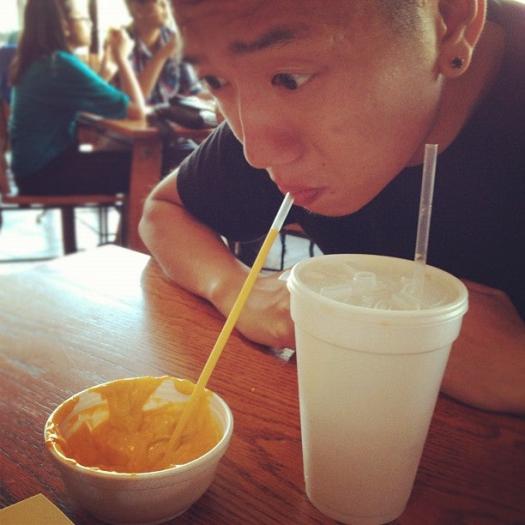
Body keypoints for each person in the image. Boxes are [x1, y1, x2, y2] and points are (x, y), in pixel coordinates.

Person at [139, 0, 525, 415]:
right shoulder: (260, 108)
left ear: (449, 20)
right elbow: (163, 211)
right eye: (215, 81)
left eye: (290, 79)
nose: (256, 153)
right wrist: (235, 290)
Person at [8, 0, 146, 196]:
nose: (90, 23)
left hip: (31, 171)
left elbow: (86, 97)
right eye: (83, 18)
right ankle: (140, 218)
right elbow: (137, 111)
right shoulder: (60, 65)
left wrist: (109, 68)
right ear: (64, 25)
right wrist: (122, 58)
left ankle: (133, 218)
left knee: (135, 163)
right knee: (143, 167)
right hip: (44, 174)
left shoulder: (43, 62)